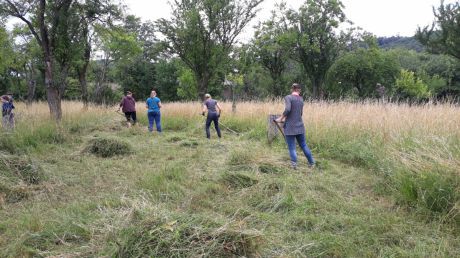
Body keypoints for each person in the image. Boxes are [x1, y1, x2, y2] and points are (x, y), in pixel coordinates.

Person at [275, 83, 315, 170]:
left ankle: (294, 166)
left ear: (292, 89)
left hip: (290, 127)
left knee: (292, 147)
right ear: (299, 90)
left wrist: (281, 118)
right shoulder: (301, 99)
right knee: (304, 145)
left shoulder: (288, 97)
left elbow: (288, 109)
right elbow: (300, 113)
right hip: (300, 126)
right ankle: (312, 163)